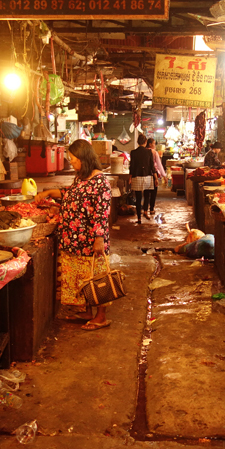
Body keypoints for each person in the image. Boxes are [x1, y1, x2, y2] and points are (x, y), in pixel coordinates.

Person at [34, 139, 113, 331]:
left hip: (90, 240)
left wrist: (99, 239)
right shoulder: (81, 177)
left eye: (73, 160)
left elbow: (102, 213)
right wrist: (49, 193)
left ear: (84, 159)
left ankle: (100, 316)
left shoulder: (100, 182)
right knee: (81, 277)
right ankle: (86, 311)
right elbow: (71, 194)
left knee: (97, 277)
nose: (72, 163)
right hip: (74, 240)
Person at [129, 134, 155, 223]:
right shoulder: (149, 152)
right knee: (147, 195)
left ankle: (139, 218)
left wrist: (130, 177)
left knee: (138, 197)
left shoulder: (133, 152)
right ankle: (145, 212)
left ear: (137, 142)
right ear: (145, 142)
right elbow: (152, 166)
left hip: (137, 177)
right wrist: (155, 177)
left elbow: (131, 166)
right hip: (147, 176)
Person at [147, 138, 166, 217]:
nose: (154, 145)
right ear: (150, 144)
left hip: (146, 174)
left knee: (147, 192)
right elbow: (159, 165)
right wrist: (164, 175)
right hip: (154, 174)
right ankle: (151, 209)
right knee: (153, 192)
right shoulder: (154, 152)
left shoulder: (144, 152)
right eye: (154, 144)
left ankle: (145, 209)